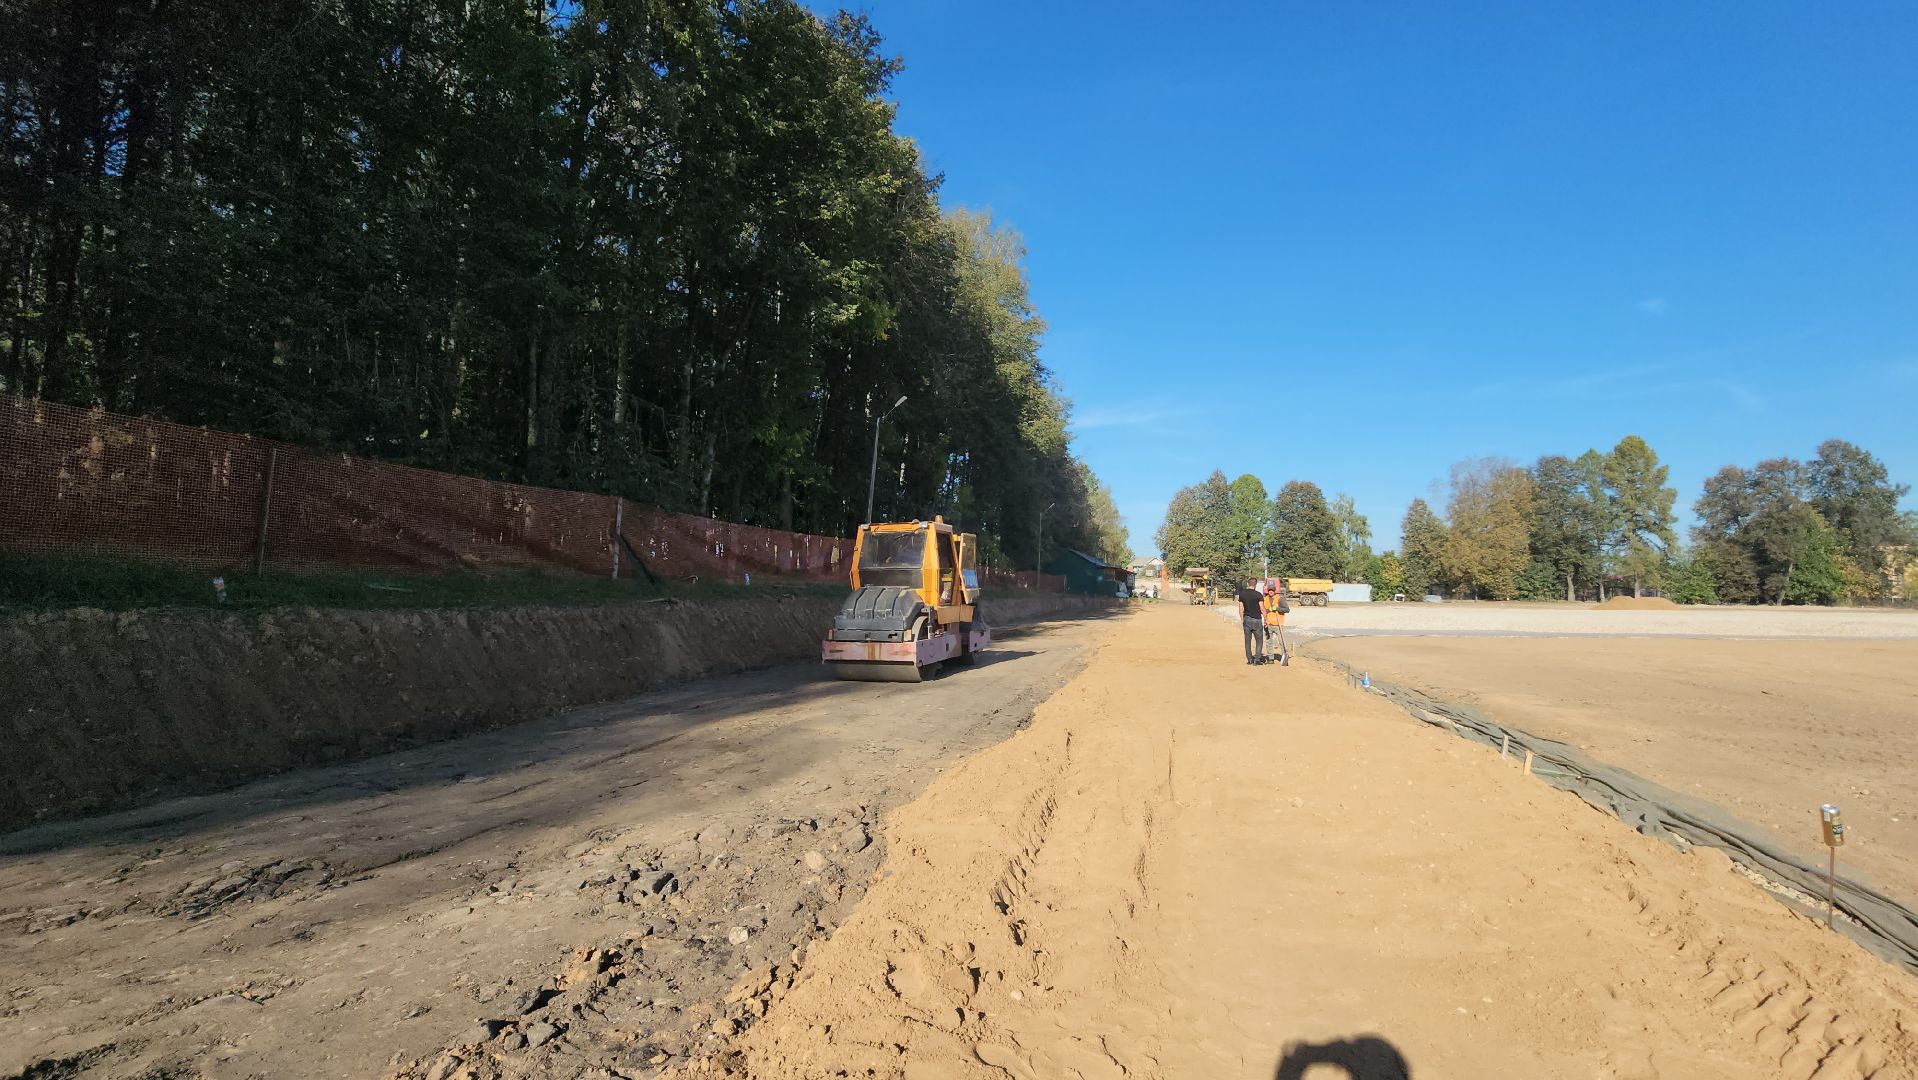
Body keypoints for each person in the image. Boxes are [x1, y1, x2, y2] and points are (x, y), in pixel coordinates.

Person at [1237, 579, 1268, 665]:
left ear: (1248, 584)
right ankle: (1257, 659)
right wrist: (1266, 619)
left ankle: (1250, 659)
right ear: (1256, 584)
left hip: (1247, 619)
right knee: (1259, 640)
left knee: (1247, 640)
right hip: (1257, 620)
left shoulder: (1242, 594)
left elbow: (1240, 608)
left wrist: (1242, 618)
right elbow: (1262, 608)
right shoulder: (1258, 595)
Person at [1263, 580, 1291, 666]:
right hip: (1268, 624)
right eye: (1269, 590)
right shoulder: (1265, 599)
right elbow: (1263, 610)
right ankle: (1271, 658)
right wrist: (1269, 610)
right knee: (1268, 642)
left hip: (1278, 624)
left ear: (1275, 591)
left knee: (1281, 641)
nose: (1271, 591)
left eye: (1272, 590)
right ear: (1268, 591)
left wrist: (1277, 608)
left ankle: (1284, 657)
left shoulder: (1280, 599)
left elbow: (1287, 610)